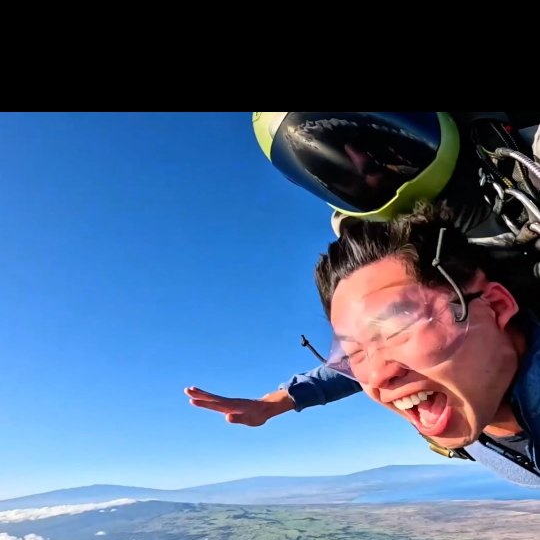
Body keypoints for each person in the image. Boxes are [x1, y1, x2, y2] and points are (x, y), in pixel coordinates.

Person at [185, 112, 540, 444]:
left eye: (370, 140)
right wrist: (281, 400)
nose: (362, 165)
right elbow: (379, 348)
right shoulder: (380, 252)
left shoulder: (526, 161)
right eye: (330, 162)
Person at [313, 201, 540, 485]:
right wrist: (283, 399)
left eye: (399, 328)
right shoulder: (458, 401)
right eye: (354, 352)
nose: (377, 376)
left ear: (495, 305)